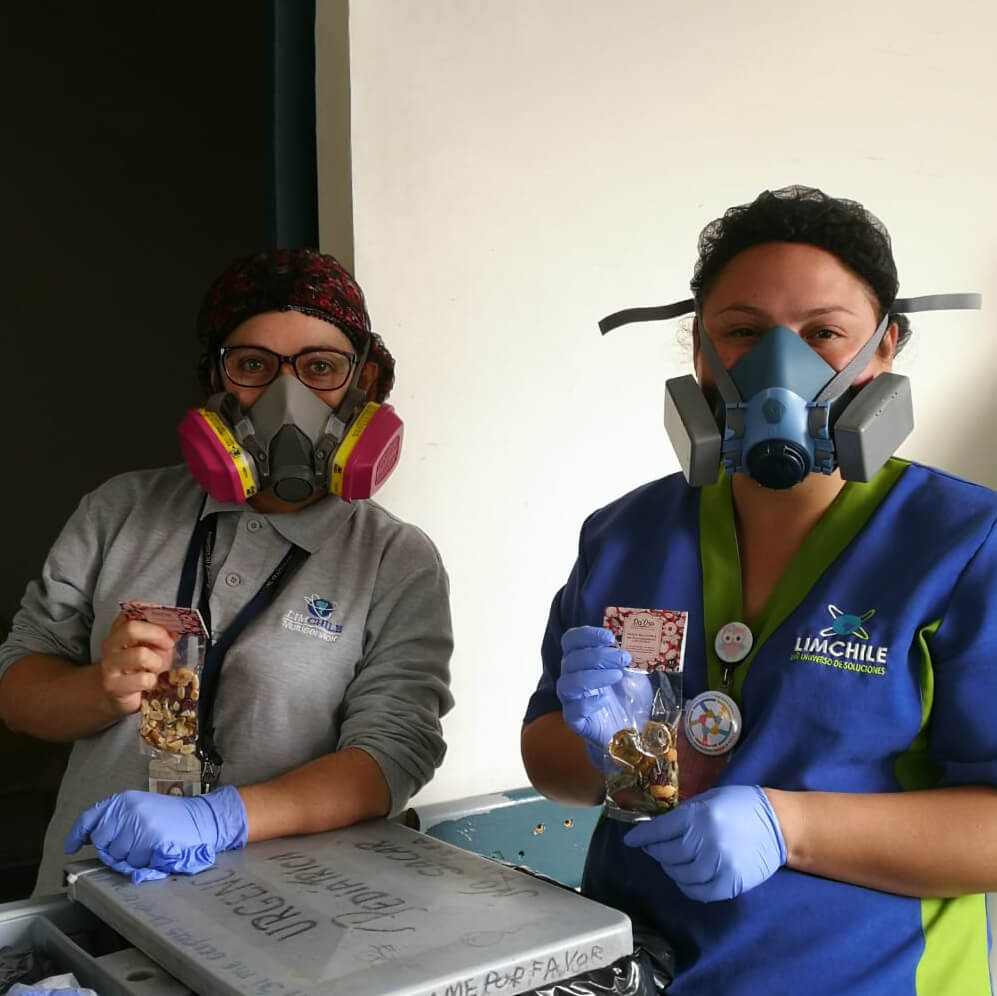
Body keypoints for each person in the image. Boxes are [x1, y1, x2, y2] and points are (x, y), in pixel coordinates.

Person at [521, 186, 997, 995]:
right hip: (640, 969)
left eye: (822, 334)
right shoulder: (624, 535)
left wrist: (790, 828)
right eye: (743, 332)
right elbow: (552, 764)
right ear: (699, 353)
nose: (781, 371)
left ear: (882, 349)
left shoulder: (963, 543)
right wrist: (614, 753)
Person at [0, 249, 454, 894]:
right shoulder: (118, 510)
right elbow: (17, 690)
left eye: (321, 367)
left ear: (367, 380)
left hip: (277, 912)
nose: (287, 398)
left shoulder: (395, 559)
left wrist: (221, 820)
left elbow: (394, 753)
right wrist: (101, 691)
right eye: (253, 365)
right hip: (89, 897)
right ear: (214, 378)